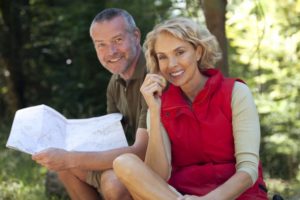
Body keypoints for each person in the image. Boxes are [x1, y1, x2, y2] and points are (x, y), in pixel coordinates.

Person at [112, 17, 269, 199]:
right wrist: (154, 113)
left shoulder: (235, 93)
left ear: (198, 52)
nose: (172, 64)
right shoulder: (158, 104)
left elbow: (248, 170)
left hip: (238, 196)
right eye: (162, 57)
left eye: (180, 52)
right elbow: (157, 177)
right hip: (180, 195)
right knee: (124, 162)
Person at [32, 8, 148, 200]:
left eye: (118, 40)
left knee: (113, 183)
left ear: (136, 36)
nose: (110, 52)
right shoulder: (115, 83)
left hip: (161, 163)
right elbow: (112, 139)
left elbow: (142, 152)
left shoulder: (152, 75)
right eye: (101, 44)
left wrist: (69, 158)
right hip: (130, 159)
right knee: (65, 169)